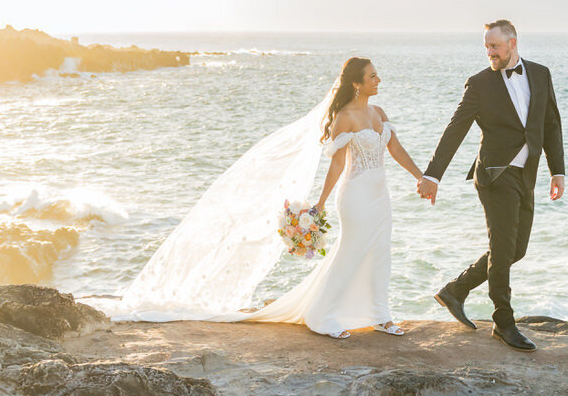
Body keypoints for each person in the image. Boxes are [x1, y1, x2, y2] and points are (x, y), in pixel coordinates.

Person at [110, 57, 423, 341]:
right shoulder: (344, 117)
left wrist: (421, 177)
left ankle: (380, 316)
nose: (378, 80)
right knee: (351, 253)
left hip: (380, 197)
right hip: (355, 197)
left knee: (380, 253)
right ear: (356, 83)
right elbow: (338, 164)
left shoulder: (379, 113)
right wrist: (321, 203)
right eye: (372, 76)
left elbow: (395, 149)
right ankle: (322, 315)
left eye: (377, 75)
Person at [417, 20, 565, 352]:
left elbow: (551, 124)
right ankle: (503, 322)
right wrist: (433, 175)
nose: (489, 52)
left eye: (494, 46)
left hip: (526, 174)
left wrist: (558, 170)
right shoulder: (480, 84)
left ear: (512, 43)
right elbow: (455, 128)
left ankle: (456, 290)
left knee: (516, 250)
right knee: (501, 250)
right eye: (486, 47)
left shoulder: (540, 74)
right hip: (495, 176)